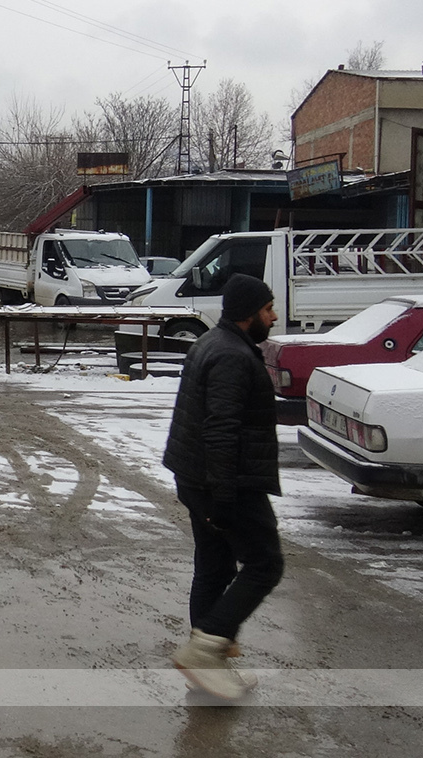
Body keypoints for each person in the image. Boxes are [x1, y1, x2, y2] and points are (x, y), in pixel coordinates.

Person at [162, 273, 283, 701]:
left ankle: (207, 662)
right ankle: (206, 648)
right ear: (251, 315)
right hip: (224, 480)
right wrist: (226, 497)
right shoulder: (232, 355)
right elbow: (221, 429)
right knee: (265, 564)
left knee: (214, 565)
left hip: (197, 476)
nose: (274, 315)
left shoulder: (213, 342)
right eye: (268, 309)